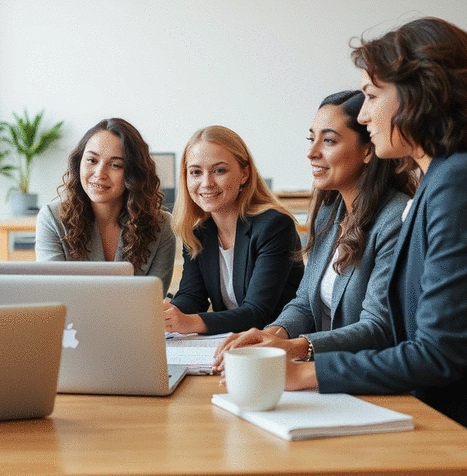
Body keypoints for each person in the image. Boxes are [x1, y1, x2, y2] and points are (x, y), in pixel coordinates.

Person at [286, 17, 467, 440]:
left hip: (458, 432)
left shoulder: (459, 181)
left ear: (420, 94)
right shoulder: (442, 177)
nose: (364, 114)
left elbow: (436, 354)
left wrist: (305, 373)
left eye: (372, 95)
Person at [213, 90, 417, 364]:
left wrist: (299, 347)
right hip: (323, 370)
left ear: (368, 150)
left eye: (329, 140)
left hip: (366, 376)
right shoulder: (329, 213)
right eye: (312, 139)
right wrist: (270, 335)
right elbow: (304, 304)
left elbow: (378, 327)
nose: (311, 152)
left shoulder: (395, 218)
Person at [164, 126, 304, 335]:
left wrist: (189, 322)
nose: (206, 183)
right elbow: (192, 296)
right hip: (230, 344)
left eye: (219, 170)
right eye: (195, 172)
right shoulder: (198, 232)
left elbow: (258, 313)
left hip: (277, 346)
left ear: (244, 174)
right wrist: (168, 313)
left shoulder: (274, 226)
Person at [35, 118, 176, 295]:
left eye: (115, 165)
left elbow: (152, 299)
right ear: (79, 162)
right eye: (92, 160)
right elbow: (53, 294)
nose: (99, 173)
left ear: (133, 173)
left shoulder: (160, 226)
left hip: (133, 322)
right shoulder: (53, 218)